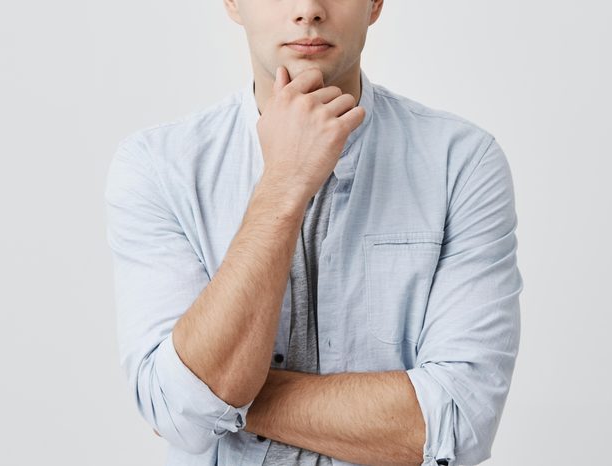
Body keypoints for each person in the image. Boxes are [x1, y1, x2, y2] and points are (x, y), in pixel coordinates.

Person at [104, 1, 523, 465]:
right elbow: (176, 413)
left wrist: (213, 397)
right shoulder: (160, 167)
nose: (308, 10)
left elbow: (456, 424)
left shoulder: (459, 163)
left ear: (376, 3)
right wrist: (283, 183)